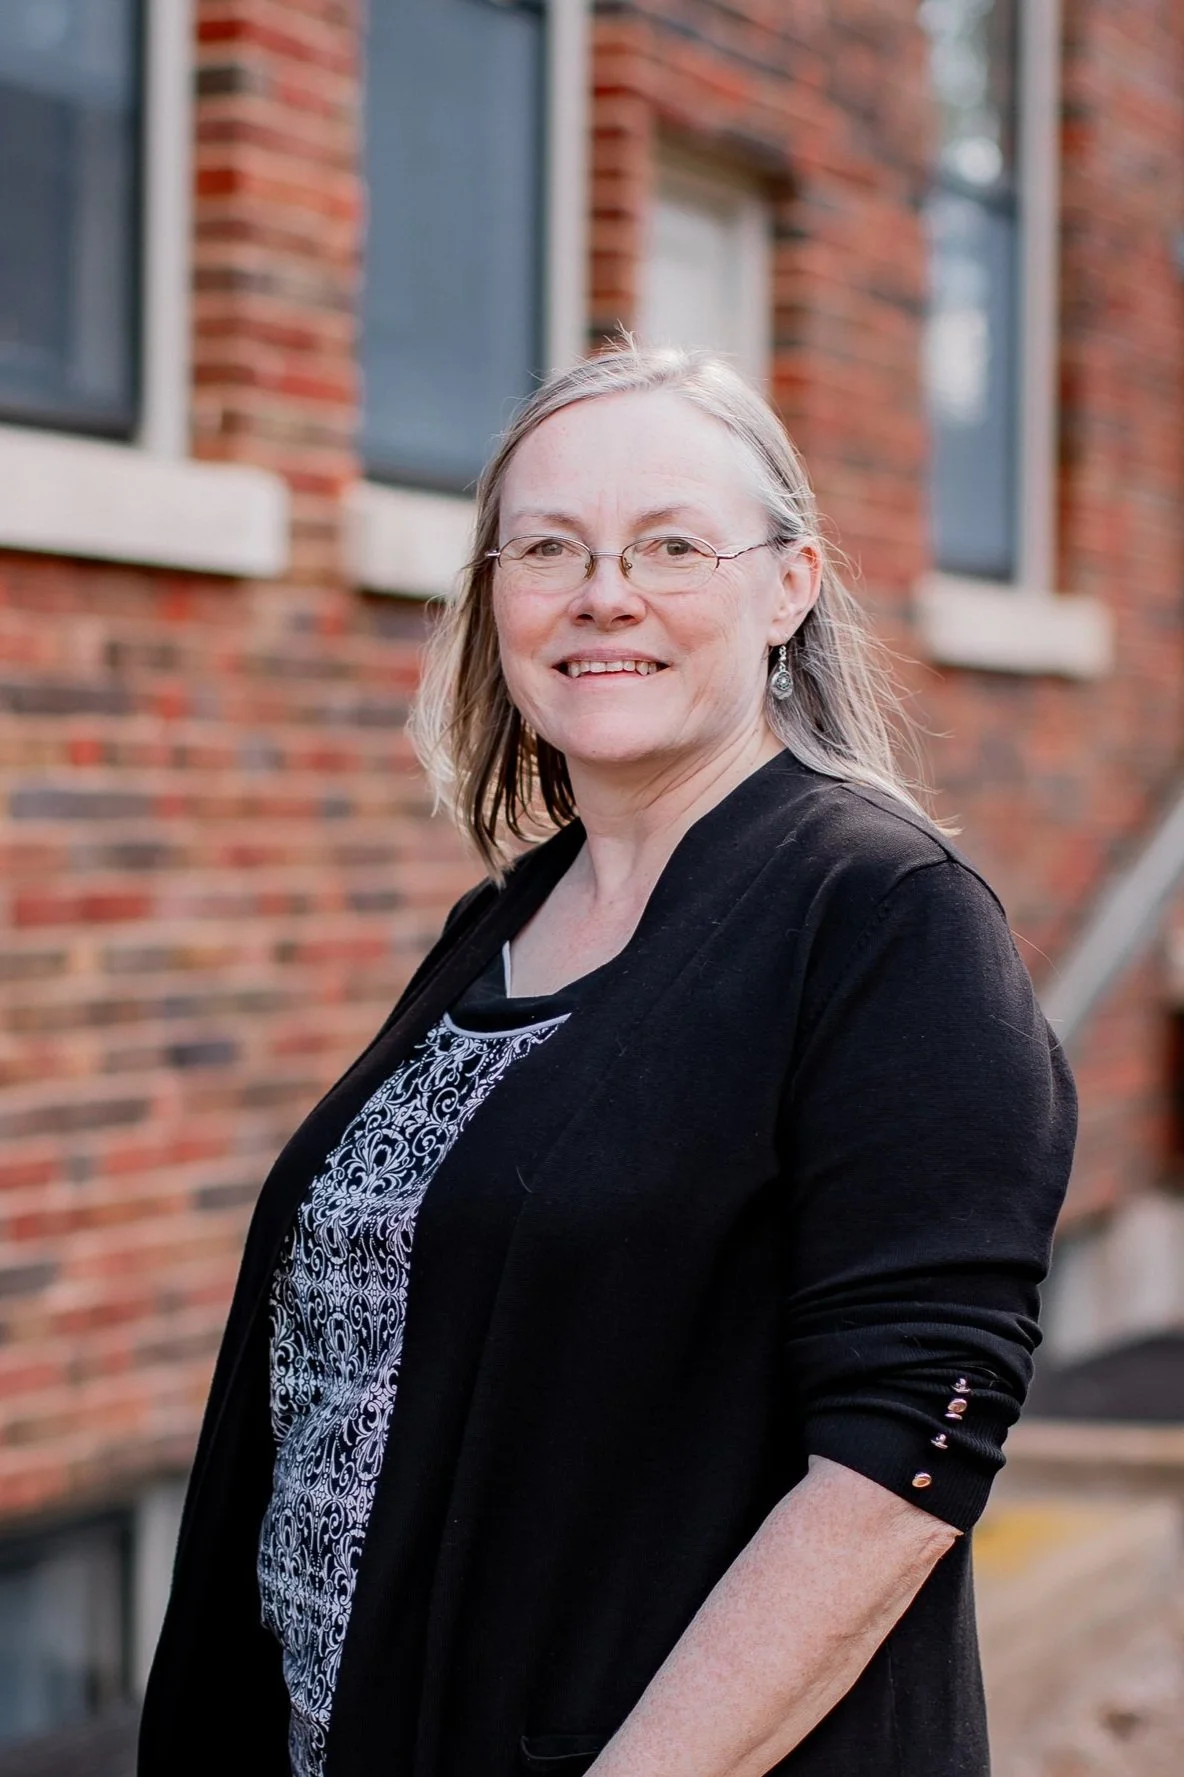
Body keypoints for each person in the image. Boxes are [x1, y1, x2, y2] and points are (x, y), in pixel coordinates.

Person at [139, 341, 1076, 1777]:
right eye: (550, 548)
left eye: (671, 546)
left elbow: (902, 1460)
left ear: (789, 585)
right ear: (496, 597)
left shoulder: (883, 920)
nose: (603, 594)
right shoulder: (502, 921)